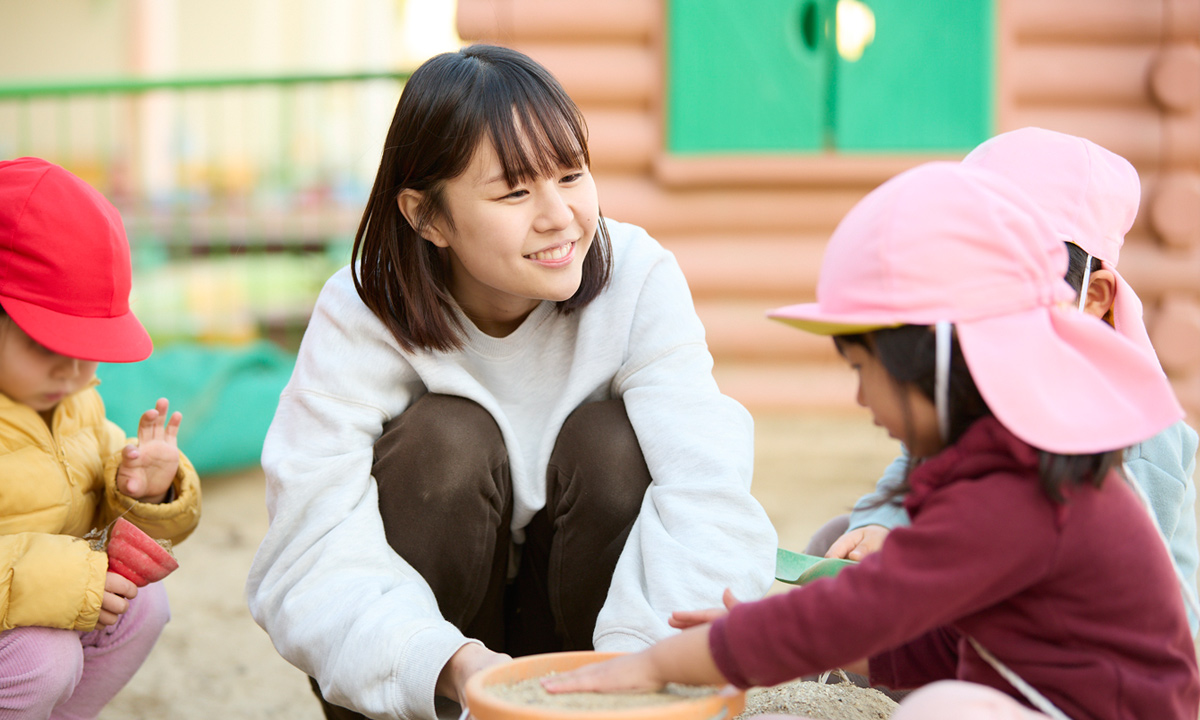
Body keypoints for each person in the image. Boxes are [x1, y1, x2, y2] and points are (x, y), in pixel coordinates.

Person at [542, 161, 1200, 719]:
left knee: (946, 711)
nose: (860, 399)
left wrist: (660, 664)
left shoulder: (1012, 496)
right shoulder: (1010, 468)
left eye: (865, 372)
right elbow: (942, 644)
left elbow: (857, 612)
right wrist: (741, 641)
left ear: (934, 362)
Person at [245, 44, 776, 720]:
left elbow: (709, 486)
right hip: (430, 667)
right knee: (447, 438)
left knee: (615, 442)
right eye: (514, 191)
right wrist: (445, 663)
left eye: (571, 174)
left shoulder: (638, 280)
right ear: (426, 215)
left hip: (589, 654)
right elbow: (309, 541)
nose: (559, 216)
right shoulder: (362, 311)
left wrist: (642, 662)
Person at [815, 128, 1200, 635]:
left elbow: (1098, 577)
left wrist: (929, 554)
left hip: (1091, 656)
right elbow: (910, 470)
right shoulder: (973, 385)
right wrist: (880, 526)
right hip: (973, 596)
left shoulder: (1135, 432)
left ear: (1094, 296)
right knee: (838, 540)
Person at [0, 157, 202, 719]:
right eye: (46, 344)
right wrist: (74, 577)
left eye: (85, 344)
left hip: (32, 600)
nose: (70, 371)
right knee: (44, 658)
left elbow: (101, 502)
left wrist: (144, 490)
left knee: (144, 608)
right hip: (26, 619)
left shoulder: (73, 402)